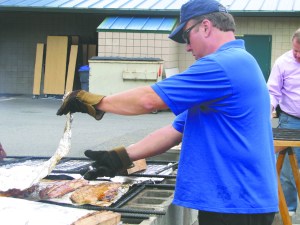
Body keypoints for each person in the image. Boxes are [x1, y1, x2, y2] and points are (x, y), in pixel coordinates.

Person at [57, 0, 278, 224]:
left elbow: (148, 100)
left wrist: (95, 102)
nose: (187, 47)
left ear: (205, 26)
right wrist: (120, 157)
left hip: (236, 204)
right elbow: (174, 131)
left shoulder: (223, 65)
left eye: (186, 36)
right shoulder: (236, 63)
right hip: (232, 200)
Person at [267, 28, 300, 215]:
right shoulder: (283, 62)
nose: (297, 55)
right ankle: (289, 211)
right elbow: (272, 92)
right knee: (288, 171)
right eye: (295, 50)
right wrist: (267, 110)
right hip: (290, 120)